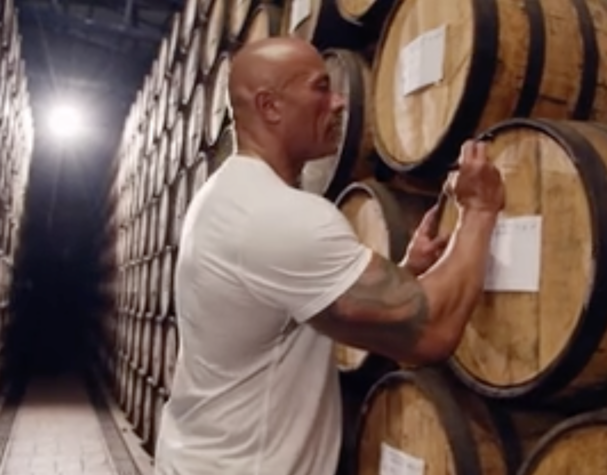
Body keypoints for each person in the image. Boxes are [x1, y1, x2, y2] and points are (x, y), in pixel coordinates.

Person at [153, 37, 504, 475]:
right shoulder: (278, 216)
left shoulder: (228, 195)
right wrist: (480, 210)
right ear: (270, 107)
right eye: (321, 88)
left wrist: (406, 274)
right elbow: (432, 330)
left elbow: (316, 311)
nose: (340, 101)